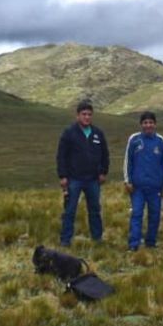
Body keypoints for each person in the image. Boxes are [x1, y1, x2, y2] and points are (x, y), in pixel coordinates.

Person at [56, 100, 109, 247]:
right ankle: (65, 240)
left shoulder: (98, 133)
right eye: (84, 114)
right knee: (69, 211)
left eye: (89, 114)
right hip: (74, 179)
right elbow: (61, 156)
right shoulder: (69, 133)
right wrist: (63, 176)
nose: (87, 117)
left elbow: (105, 154)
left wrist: (103, 172)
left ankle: (97, 238)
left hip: (93, 180)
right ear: (77, 115)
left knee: (94, 210)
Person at [123, 111, 163, 252]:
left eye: (150, 122)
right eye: (145, 123)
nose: (148, 125)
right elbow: (127, 161)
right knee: (136, 213)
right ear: (141, 124)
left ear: (155, 124)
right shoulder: (134, 139)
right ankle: (133, 244)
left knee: (155, 215)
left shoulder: (160, 141)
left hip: (155, 187)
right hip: (137, 187)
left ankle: (151, 242)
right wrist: (127, 181)